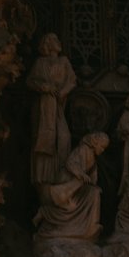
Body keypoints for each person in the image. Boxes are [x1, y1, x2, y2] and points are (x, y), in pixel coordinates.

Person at [28, 35, 78, 184]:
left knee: (64, 137)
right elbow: (30, 81)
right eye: (55, 40)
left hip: (59, 104)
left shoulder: (64, 62)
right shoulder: (40, 62)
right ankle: (43, 177)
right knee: (44, 138)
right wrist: (43, 87)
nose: (59, 43)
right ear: (47, 44)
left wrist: (63, 91)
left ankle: (61, 174)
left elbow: (72, 80)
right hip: (44, 106)